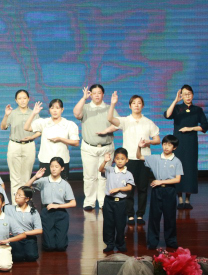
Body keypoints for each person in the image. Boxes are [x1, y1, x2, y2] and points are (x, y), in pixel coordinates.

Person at [108, 92, 159, 226]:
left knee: (142, 188)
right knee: (128, 188)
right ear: (130, 106)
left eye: (139, 103)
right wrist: (113, 104)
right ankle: (130, 215)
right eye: (134, 103)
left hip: (144, 159)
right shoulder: (125, 120)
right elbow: (110, 119)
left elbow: (157, 139)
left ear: (143, 106)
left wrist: (148, 142)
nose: (136, 105)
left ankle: (140, 214)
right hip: (129, 159)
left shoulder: (148, 122)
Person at [72, 84, 118, 211]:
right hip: (89, 147)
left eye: (99, 93)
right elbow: (76, 113)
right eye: (94, 93)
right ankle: (89, 201)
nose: (97, 95)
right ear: (90, 94)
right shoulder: (85, 107)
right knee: (89, 176)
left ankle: (103, 201)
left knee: (104, 175)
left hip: (106, 147)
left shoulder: (109, 108)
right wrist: (83, 98)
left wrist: (106, 130)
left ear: (103, 94)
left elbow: (118, 124)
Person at [164, 85, 208, 210]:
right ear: (181, 96)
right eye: (184, 94)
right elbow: (167, 115)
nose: (187, 96)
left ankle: (188, 199)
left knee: (190, 169)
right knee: (178, 169)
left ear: (192, 95)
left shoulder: (197, 110)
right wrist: (175, 100)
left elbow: (205, 126)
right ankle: (179, 198)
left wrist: (190, 128)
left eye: (189, 94)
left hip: (191, 143)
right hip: (178, 144)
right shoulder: (177, 108)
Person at [138, 135, 183, 250]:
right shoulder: (156, 158)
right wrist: (139, 147)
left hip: (169, 190)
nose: (166, 147)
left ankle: (171, 241)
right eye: (164, 144)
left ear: (174, 148)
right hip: (157, 190)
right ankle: (152, 242)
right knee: (154, 217)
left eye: (169, 145)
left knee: (170, 217)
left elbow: (177, 179)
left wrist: (161, 181)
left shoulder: (177, 161)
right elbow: (139, 156)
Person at [26, 157, 77, 252]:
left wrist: (57, 206)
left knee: (61, 247)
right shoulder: (43, 181)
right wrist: (35, 177)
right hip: (47, 213)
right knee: (49, 247)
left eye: (56, 167)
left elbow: (73, 203)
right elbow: (25, 187)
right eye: (52, 166)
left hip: (61, 214)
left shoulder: (65, 184)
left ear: (62, 168)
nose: (53, 169)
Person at [24, 99, 80, 178]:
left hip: (62, 161)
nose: (54, 111)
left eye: (57, 108)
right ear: (49, 110)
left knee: (61, 184)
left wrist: (60, 139)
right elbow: (26, 127)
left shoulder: (69, 124)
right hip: (46, 161)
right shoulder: (44, 122)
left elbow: (76, 142)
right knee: (45, 184)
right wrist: (33, 113)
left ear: (62, 110)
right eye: (52, 108)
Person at [0, 89, 40, 196]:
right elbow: (3, 127)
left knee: (26, 177)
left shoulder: (34, 113)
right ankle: (15, 203)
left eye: (24, 98)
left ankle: (24, 201)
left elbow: (39, 131)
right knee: (15, 178)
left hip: (29, 145)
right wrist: (6, 115)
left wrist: (31, 137)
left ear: (28, 99)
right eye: (19, 98)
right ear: (16, 100)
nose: (22, 100)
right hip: (14, 145)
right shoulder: (12, 113)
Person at [100, 148, 135, 253]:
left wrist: (118, 189)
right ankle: (109, 244)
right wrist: (105, 161)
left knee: (120, 224)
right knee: (108, 223)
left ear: (127, 160)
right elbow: (100, 169)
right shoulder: (110, 170)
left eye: (122, 159)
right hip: (109, 201)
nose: (120, 161)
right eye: (117, 159)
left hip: (121, 202)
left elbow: (129, 187)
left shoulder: (128, 174)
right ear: (114, 159)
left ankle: (120, 244)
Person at [4, 186, 43, 262]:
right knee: (18, 257)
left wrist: (23, 233)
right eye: (16, 194)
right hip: (15, 237)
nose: (16, 197)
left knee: (32, 256)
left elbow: (39, 230)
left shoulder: (33, 212)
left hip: (29, 238)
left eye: (19, 195)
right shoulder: (8, 209)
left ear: (27, 199)